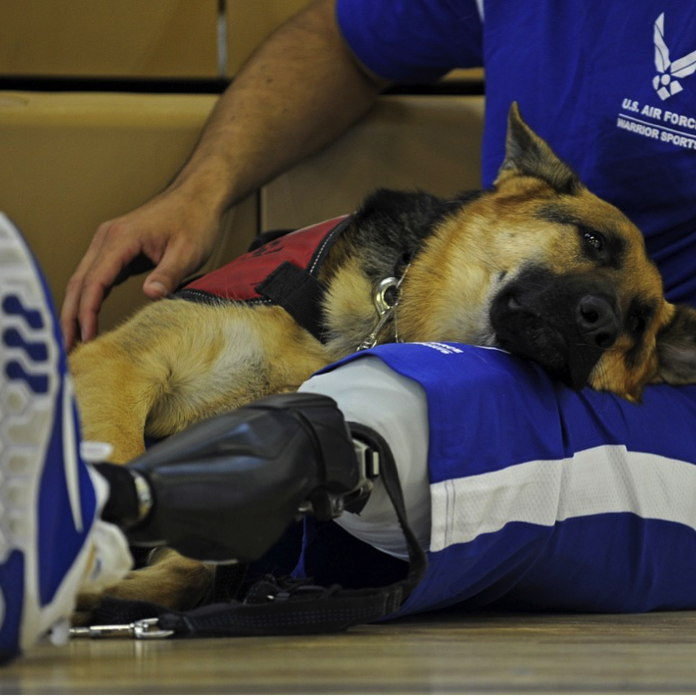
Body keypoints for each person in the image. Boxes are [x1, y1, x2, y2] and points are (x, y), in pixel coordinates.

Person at [5, 0, 696, 660]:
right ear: (519, 192)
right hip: (422, 338)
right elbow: (345, 38)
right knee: (346, 402)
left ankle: (109, 547)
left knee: (391, 419)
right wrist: (200, 192)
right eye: (590, 247)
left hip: (628, 412)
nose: (602, 310)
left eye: (627, 319)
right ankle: (91, 535)